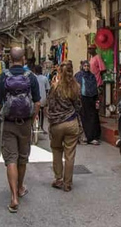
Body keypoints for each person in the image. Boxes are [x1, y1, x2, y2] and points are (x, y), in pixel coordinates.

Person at [0, 47, 41, 213]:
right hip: (25, 123)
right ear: (24, 59)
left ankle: (13, 197)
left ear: (9, 59)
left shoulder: (2, 77)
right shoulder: (31, 78)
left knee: (11, 159)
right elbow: (37, 102)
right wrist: (32, 119)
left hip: (8, 123)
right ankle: (20, 187)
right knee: (22, 158)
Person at [46, 60, 82, 192]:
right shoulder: (76, 86)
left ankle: (58, 179)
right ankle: (68, 183)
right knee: (70, 154)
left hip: (57, 124)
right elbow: (78, 106)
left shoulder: (54, 87)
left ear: (59, 72)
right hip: (71, 123)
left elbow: (49, 105)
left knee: (56, 150)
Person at [75, 61, 101, 145]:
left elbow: (94, 88)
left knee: (92, 118)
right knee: (83, 118)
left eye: (87, 66)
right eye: (85, 66)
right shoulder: (78, 75)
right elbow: (75, 87)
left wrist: (96, 99)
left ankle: (92, 137)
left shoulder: (92, 76)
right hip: (81, 99)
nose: (86, 67)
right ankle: (84, 137)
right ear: (82, 66)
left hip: (91, 99)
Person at [34, 65, 50, 132]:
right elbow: (47, 89)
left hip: (34, 99)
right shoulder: (45, 78)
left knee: (34, 112)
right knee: (42, 113)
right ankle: (42, 126)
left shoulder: (33, 78)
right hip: (42, 99)